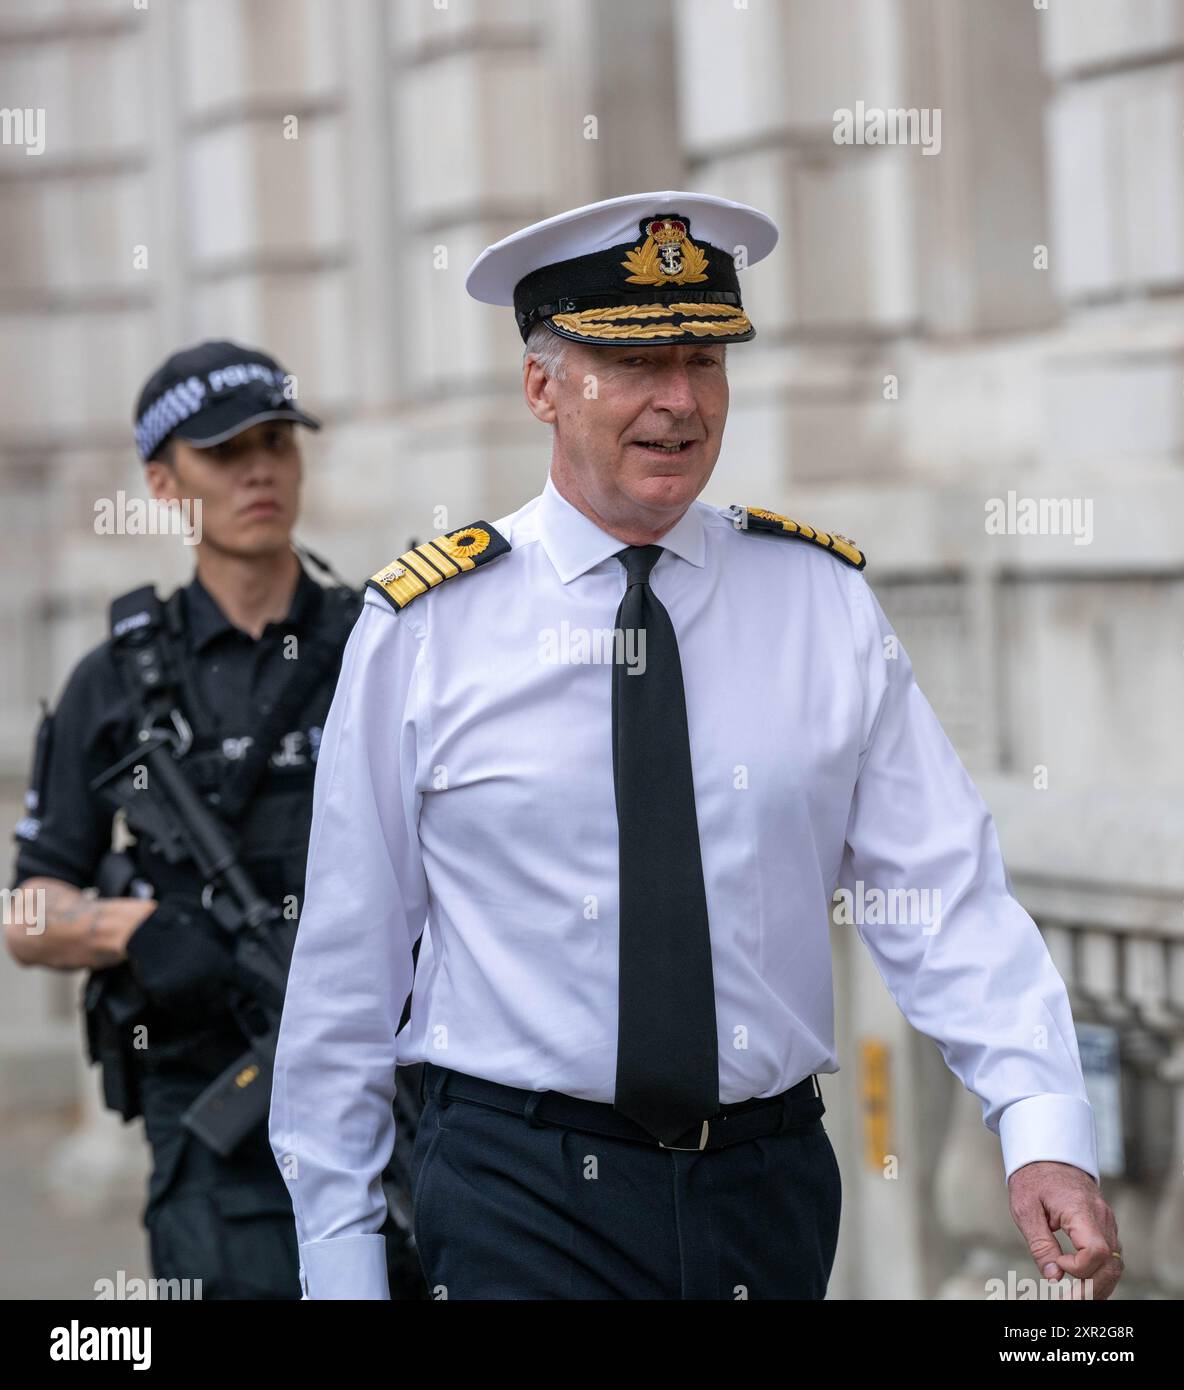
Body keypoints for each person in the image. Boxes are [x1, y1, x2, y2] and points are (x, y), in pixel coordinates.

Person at [268, 192, 1122, 1301]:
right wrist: (338, 1263)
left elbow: (940, 891)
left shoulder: (819, 603)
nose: (678, 401)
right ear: (541, 386)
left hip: (762, 1194)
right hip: (518, 1189)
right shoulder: (428, 627)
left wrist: (1040, 1121)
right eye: (634, 363)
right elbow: (348, 963)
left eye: (703, 360)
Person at [6, 340, 426, 1300]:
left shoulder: (382, 642)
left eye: (277, 442)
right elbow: (27, 913)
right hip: (213, 1102)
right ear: (162, 482)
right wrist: (139, 932)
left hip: (391, 1087)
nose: (261, 471)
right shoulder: (114, 681)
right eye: (226, 453)